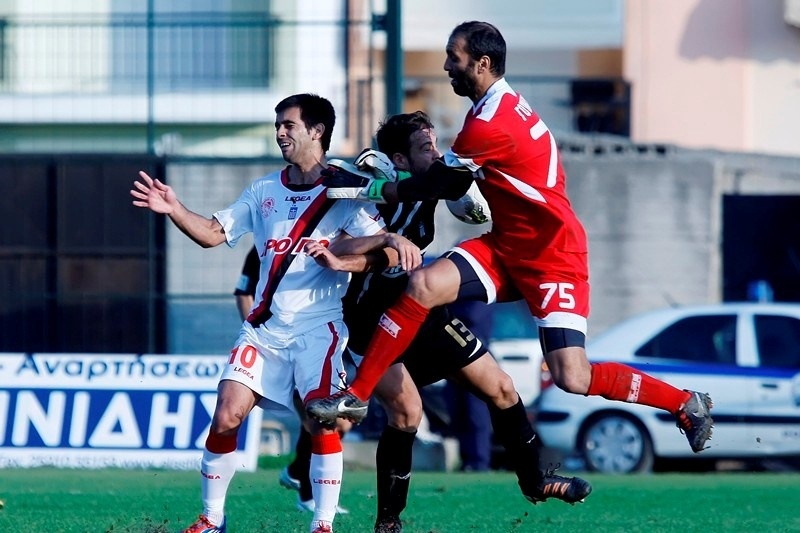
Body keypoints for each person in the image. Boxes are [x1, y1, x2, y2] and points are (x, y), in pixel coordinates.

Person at [308, 21, 714, 465]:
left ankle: (683, 402)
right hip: (507, 245)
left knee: (571, 377)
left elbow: (441, 184)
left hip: (552, 255)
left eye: (454, 57)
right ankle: (357, 395)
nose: (446, 66)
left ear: (482, 64)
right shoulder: (491, 108)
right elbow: (456, 182)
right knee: (423, 284)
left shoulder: (489, 122)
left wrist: (376, 188)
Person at [130, 92, 422, 533]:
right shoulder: (263, 189)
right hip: (264, 331)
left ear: (316, 131)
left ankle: (322, 523)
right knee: (226, 414)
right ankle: (212, 519)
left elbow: (375, 247)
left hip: (317, 329)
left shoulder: (345, 189)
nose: (280, 132)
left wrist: (371, 246)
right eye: (277, 125)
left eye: (288, 124)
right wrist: (174, 208)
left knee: (322, 420)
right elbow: (212, 234)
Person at [309, 111, 591, 533]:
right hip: (369, 321)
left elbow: (476, 193)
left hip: (419, 312)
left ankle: (535, 480)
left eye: (435, 144)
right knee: (407, 413)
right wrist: (374, 245)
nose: (437, 154)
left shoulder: (433, 186)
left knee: (501, 388)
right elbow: (342, 242)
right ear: (398, 161)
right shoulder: (367, 193)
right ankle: (388, 521)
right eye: (426, 148)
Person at [233, 247, 351, 515]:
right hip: (279, 344)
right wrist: (258, 335)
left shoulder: (331, 242)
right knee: (320, 419)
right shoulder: (264, 246)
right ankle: (309, 497)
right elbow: (243, 292)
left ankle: (296, 471)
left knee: (339, 421)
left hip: (324, 339)